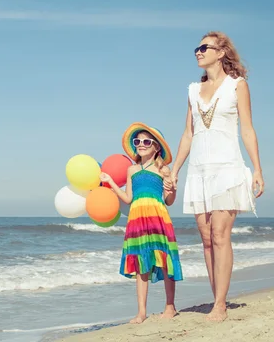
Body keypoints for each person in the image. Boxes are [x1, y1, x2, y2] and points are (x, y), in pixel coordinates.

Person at [170, 31, 264, 322]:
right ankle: (216, 299)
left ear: (221, 52)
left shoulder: (238, 86)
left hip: (227, 168)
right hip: (199, 171)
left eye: (203, 47)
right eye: (196, 48)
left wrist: (257, 168)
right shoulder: (191, 90)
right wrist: (174, 171)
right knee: (207, 238)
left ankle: (220, 305)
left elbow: (247, 129)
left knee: (221, 235)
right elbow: (188, 134)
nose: (197, 52)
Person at [100, 122, 183, 324]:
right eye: (138, 141)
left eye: (147, 141)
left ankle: (170, 306)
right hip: (137, 218)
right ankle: (141, 312)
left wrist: (172, 189)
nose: (141, 144)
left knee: (164, 260)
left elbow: (169, 201)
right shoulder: (131, 170)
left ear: (156, 147)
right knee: (140, 264)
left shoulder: (163, 169)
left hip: (157, 216)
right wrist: (111, 183)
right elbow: (128, 199)